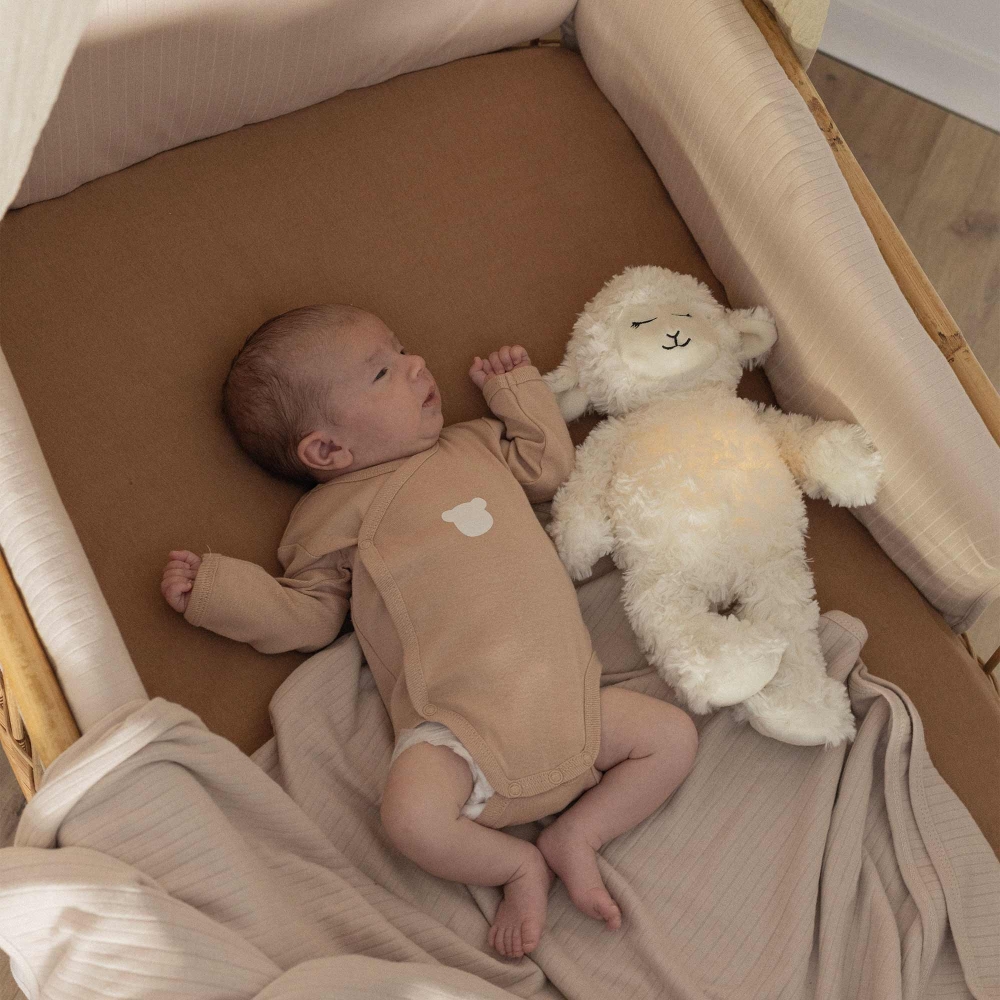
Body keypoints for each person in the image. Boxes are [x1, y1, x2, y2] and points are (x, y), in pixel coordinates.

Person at [162, 304, 698, 958]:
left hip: (572, 702)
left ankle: (578, 836)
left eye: (404, 349)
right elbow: (308, 614)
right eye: (384, 371)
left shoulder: (471, 444)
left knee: (671, 738)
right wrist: (219, 593)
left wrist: (515, 392)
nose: (417, 365)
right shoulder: (329, 515)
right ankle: (513, 864)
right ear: (327, 449)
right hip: (458, 726)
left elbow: (547, 466)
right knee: (409, 818)